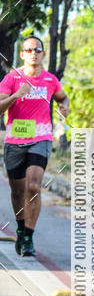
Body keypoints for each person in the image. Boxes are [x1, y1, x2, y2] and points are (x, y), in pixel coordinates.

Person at [0, 36, 69, 257]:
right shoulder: (12, 78)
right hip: (15, 141)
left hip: (41, 138)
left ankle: (29, 237)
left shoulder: (50, 80)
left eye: (38, 50)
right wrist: (16, 97)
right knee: (17, 191)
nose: (33, 53)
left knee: (34, 186)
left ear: (43, 54)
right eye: (29, 50)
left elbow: (62, 98)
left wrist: (64, 108)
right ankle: (20, 229)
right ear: (22, 54)